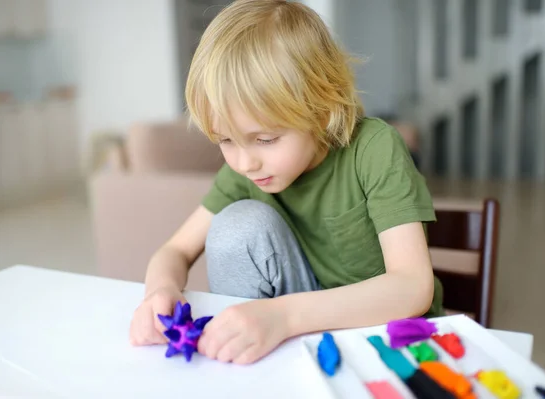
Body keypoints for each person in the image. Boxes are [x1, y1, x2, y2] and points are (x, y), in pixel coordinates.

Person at [129, 0, 443, 365]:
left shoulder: (374, 149)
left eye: (265, 139)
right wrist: (159, 290)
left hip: (391, 339)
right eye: (226, 140)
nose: (245, 162)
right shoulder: (245, 171)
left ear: (322, 110)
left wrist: (283, 315)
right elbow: (175, 251)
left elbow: (413, 286)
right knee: (237, 225)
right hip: (298, 344)